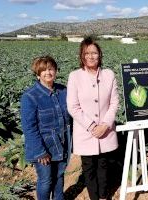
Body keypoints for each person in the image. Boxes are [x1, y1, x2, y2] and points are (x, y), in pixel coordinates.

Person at [67, 37, 119, 200]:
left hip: (105, 131)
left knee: (104, 165)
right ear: (82, 56)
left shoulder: (109, 75)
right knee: (88, 168)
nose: (91, 56)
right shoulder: (75, 76)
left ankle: (103, 196)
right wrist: (91, 126)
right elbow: (73, 106)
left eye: (94, 53)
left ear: (99, 55)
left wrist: (105, 125)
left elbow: (114, 102)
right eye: (87, 53)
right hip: (85, 131)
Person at [20, 56, 72, 200]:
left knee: (59, 176)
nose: (48, 73)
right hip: (43, 148)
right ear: (37, 74)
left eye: (51, 69)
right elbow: (29, 128)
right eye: (43, 70)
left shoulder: (63, 91)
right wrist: (40, 152)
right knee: (46, 180)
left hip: (62, 143)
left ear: (55, 71)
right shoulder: (30, 96)